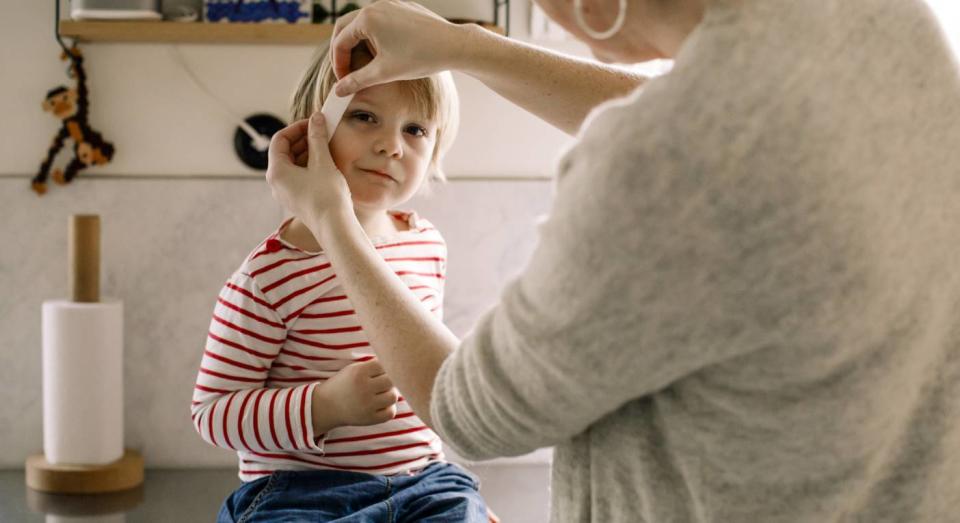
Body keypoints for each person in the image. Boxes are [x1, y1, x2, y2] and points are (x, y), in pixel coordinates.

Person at [265, 0, 960, 521]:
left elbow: (471, 414)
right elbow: (725, 125)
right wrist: (468, 47)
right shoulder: (888, 20)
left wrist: (331, 220)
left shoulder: (658, 166)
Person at [191, 42, 497, 522]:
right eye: (364, 116)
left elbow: (427, 385)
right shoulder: (269, 275)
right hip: (301, 492)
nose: (391, 145)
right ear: (309, 130)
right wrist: (325, 405)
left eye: (415, 129)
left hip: (423, 482)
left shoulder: (425, 245)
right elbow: (211, 413)